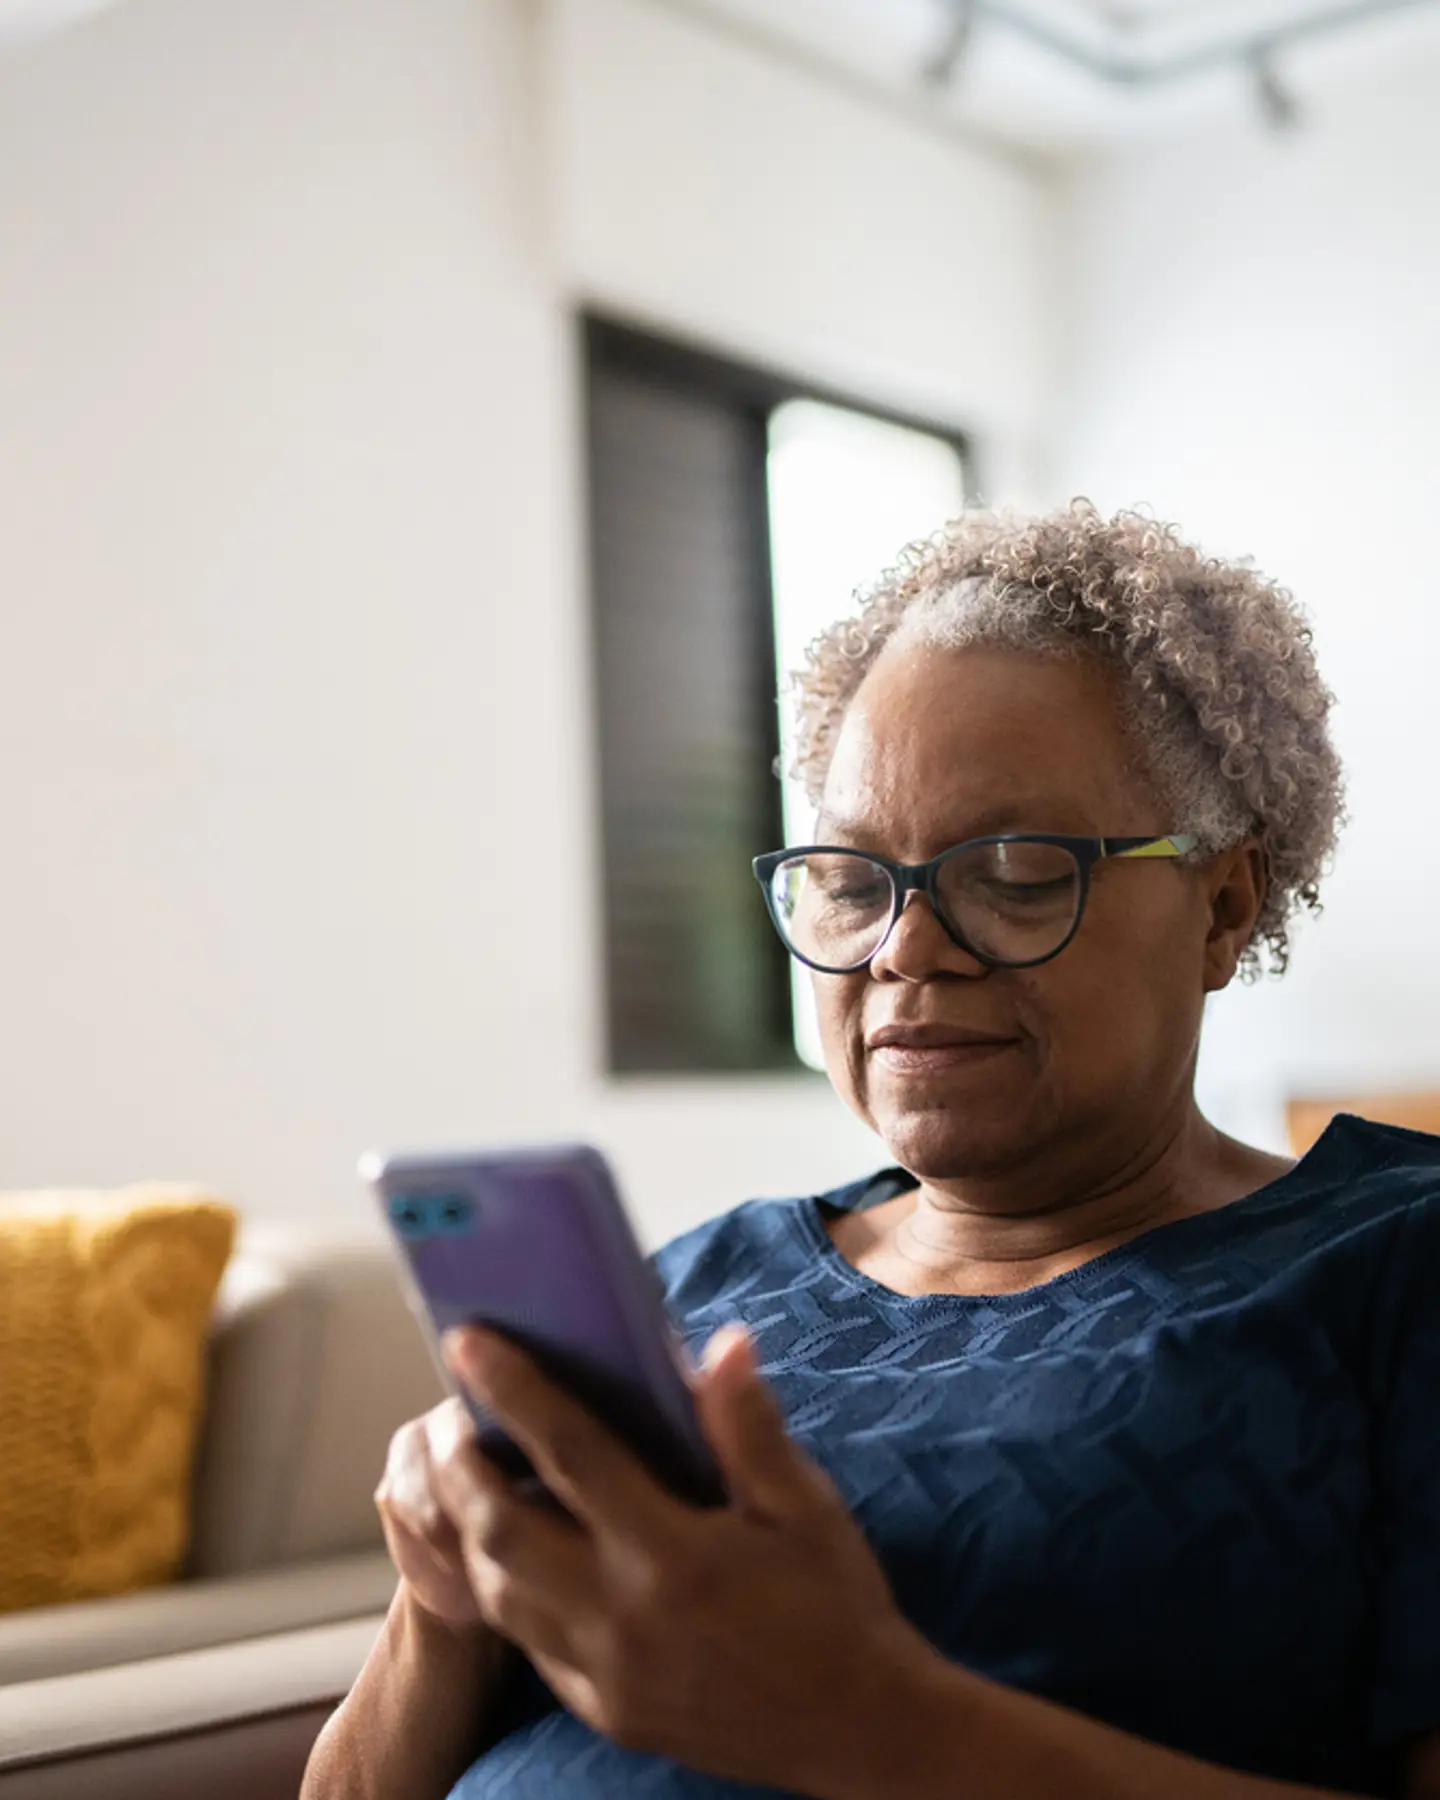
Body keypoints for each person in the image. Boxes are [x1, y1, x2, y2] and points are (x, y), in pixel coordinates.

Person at [302, 502, 1440, 1800]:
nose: (905, 948)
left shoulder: (1390, 1269)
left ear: (1223, 905)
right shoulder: (691, 1290)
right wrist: (444, 1607)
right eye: (851, 882)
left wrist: (868, 1723)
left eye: (1013, 871)